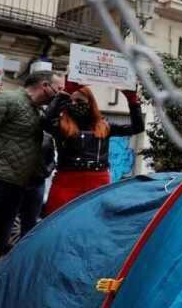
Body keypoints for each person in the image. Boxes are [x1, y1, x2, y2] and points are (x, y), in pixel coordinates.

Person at [0, 71, 64, 299]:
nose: (61, 93)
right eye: (59, 89)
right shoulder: (5, 100)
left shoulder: (39, 113)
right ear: (45, 86)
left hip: (14, 186)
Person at [42, 81, 144, 214]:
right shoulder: (60, 125)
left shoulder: (104, 126)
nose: (74, 104)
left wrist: (133, 102)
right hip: (67, 180)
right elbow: (45, 121)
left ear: (90, 102)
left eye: (79, 100)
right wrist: (63, 94)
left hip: (97, 180)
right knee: (56, 220)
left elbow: (137, 128)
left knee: (95, 221)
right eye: (70, 101)